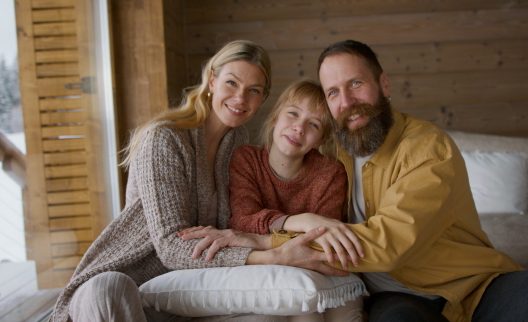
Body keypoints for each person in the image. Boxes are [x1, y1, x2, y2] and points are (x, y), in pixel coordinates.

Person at [267, 39, 528, 322]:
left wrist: (268, 243)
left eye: (356, 84)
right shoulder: (329, 149)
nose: (347, 102)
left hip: (472, 286)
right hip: (395, 296)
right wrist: (260, 233)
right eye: (333, 92)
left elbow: (390, 242)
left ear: (384, 85)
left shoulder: (427, 147)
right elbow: (274, 171)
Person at [49, 40, 343, 322]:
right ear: (212, 80)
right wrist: (272, 255)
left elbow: (235, 225)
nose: (240, 98)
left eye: (253, 90)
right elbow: (169, 246)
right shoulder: (164, 139)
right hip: (127, 283)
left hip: (187, 291)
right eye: (231, 82)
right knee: (109, 288)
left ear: (262, 100)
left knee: (265, 316)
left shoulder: (236, 144)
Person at [227, 78, 365, 321]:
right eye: (292, 114)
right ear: (274, 118)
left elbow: (322, 242)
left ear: (321, 140)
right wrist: (301, 221)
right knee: (306, 313)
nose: (299, 128)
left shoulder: (330, 172)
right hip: (267, 268)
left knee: (347, 315)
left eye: (313, 124)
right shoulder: (246, 159)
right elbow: (241, 221)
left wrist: (267, 235)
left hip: (318, 268)